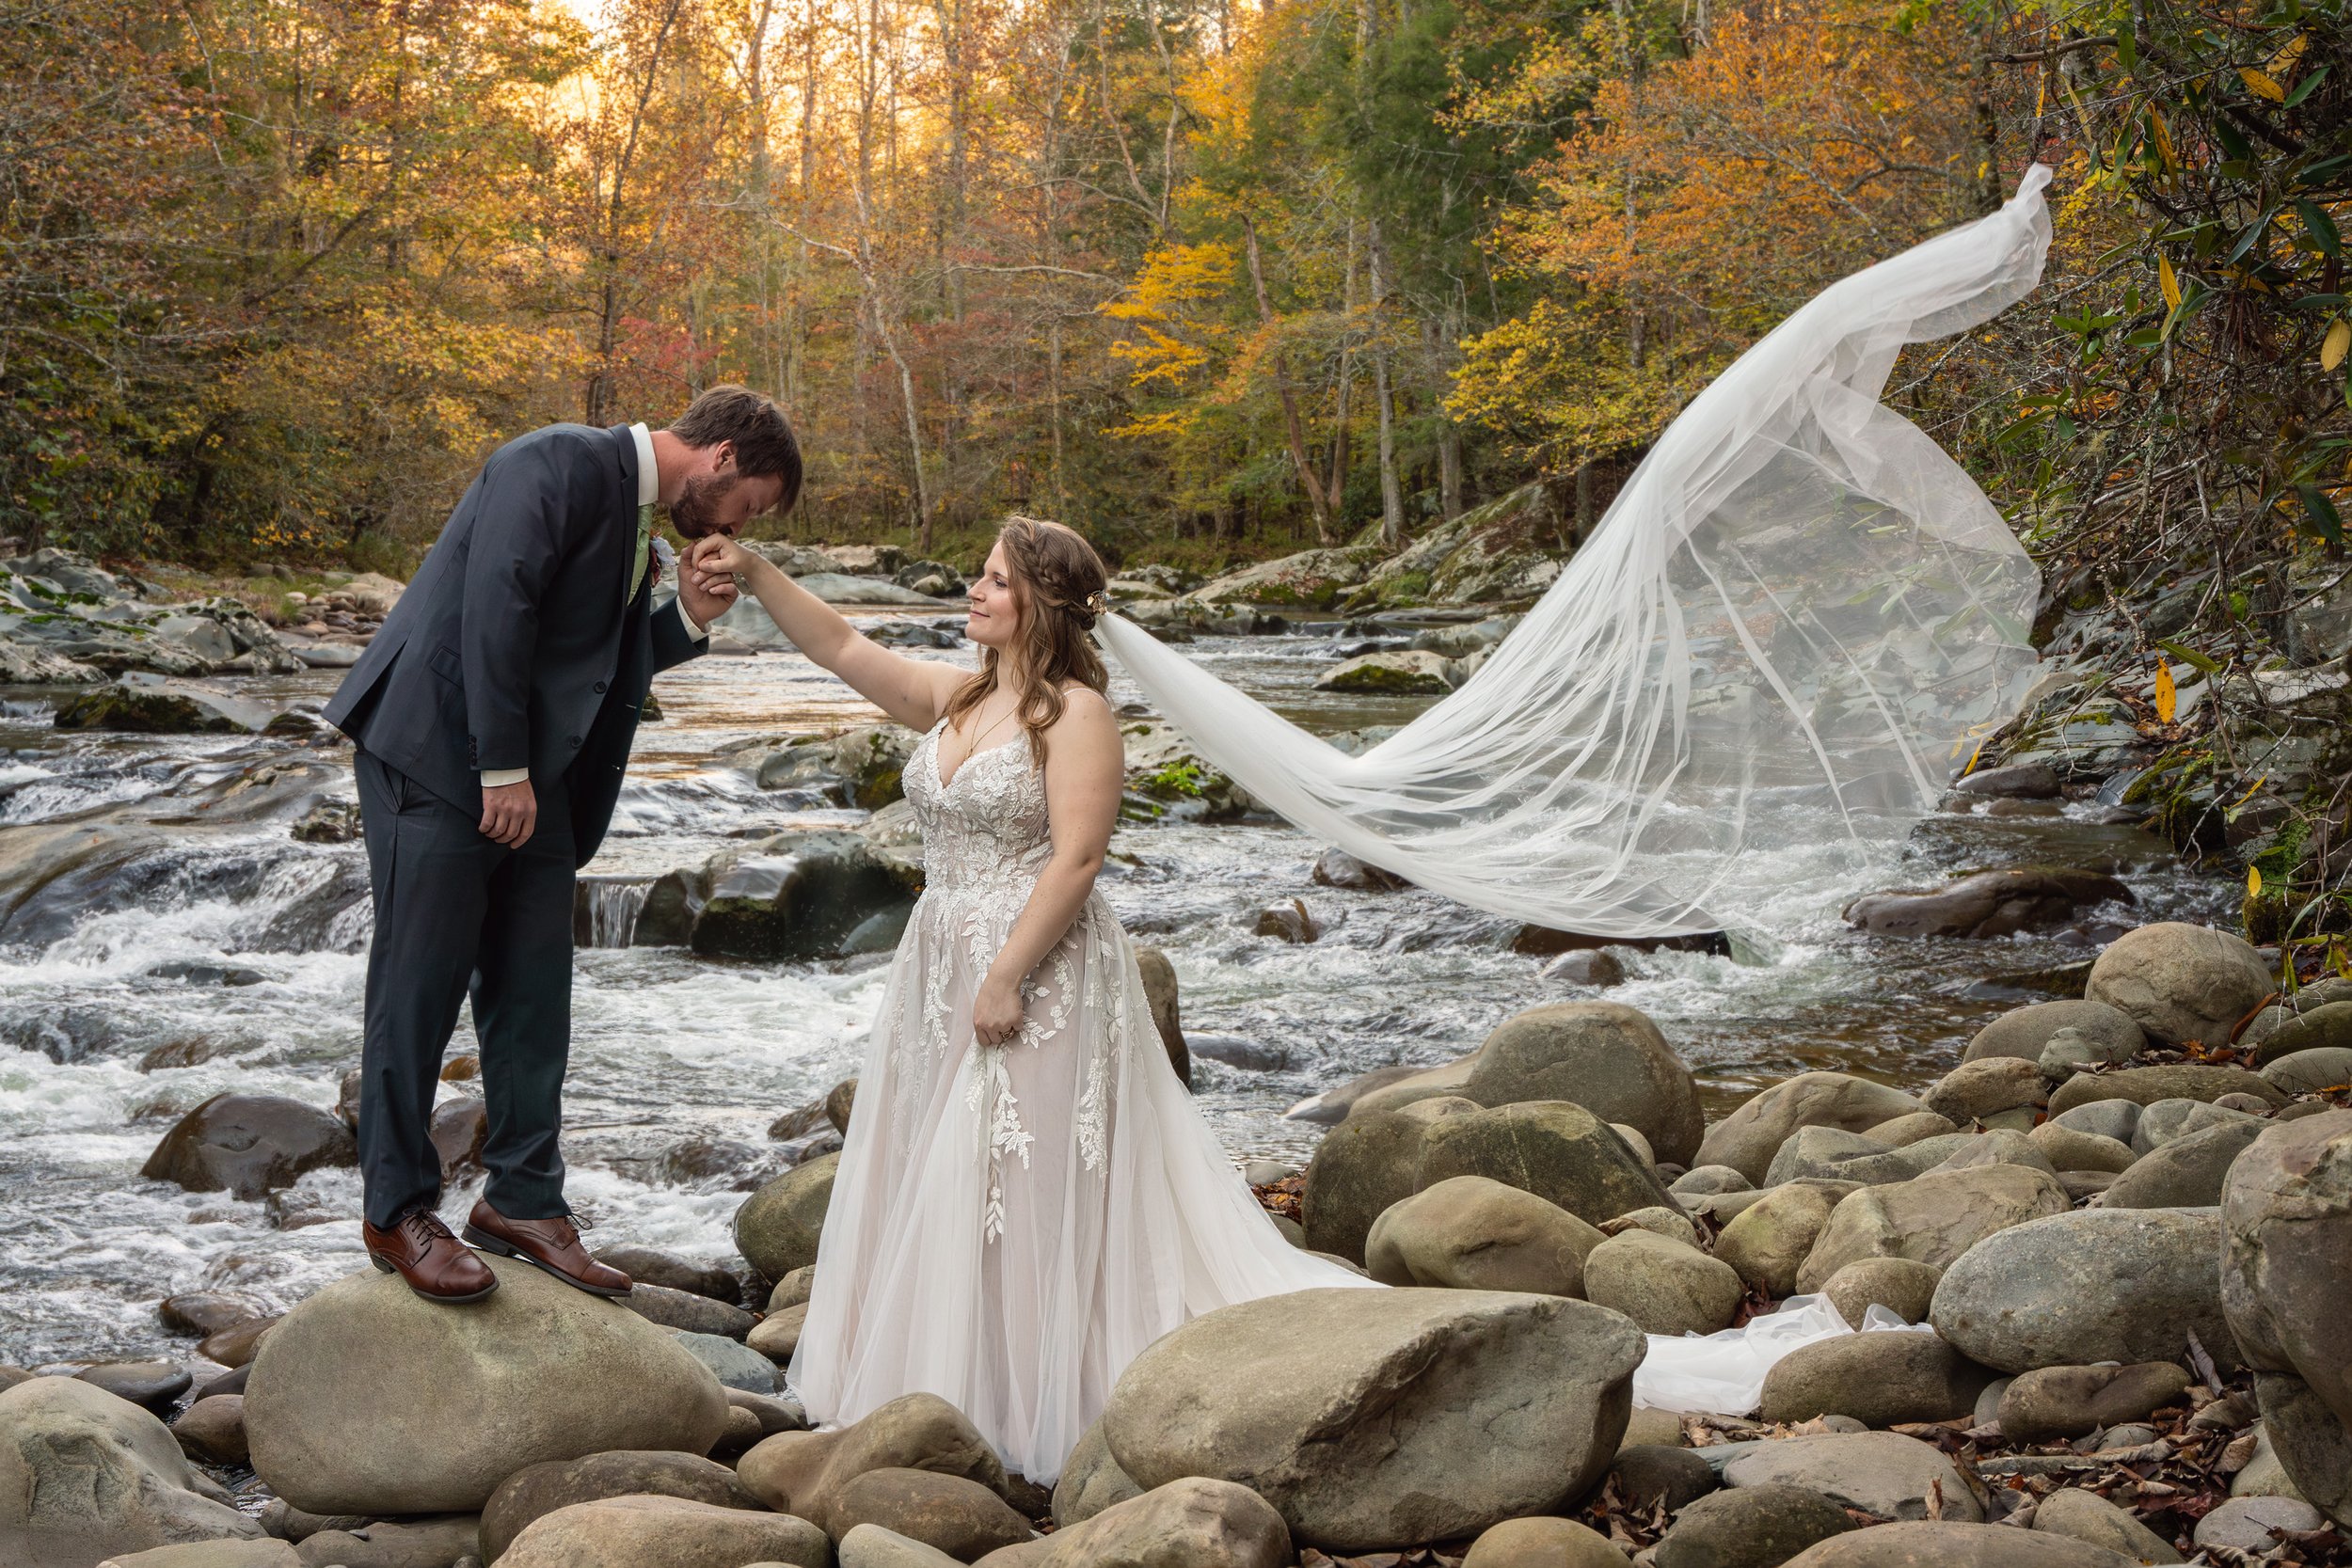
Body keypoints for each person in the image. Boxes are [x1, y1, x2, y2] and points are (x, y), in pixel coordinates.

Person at [681, 516, 1373, 1482]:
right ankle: (945, 1388)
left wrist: (1007, 972)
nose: (974, 589)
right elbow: (839, 644)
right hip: (938, 960)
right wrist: (756, 572)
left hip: (1037, 967)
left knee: (1022, 1174)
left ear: (1039, 603)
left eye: (995, 580)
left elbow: (1079, 856)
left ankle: (1042, 1396)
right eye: (980, 574)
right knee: (942, 1162)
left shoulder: (1077, 713)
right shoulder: (955, 694)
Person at [325, 386, 798, 1303]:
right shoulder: (557, 462)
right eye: (753, 504)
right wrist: (499, 763)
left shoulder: (639, 530)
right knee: (417, 988)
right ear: (726, 457)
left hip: (529, 789)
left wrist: (689, 618)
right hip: (438, 755)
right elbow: (493, 608)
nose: (743, 524)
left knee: (535, 994)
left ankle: (524, 1201)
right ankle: (395, 1207)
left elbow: (593, 669)